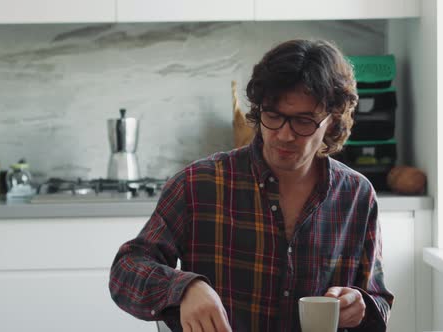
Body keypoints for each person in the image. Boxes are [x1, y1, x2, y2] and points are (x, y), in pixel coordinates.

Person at [109, 39, 394, 332]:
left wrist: (360, 305)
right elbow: (126, 270)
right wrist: (185, 288)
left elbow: (377, 300)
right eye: (273, 116)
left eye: (304, 121)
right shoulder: (199, 185)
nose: (284, 135)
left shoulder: (356, 196)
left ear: (332, 123)